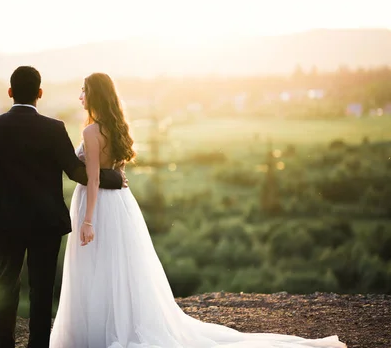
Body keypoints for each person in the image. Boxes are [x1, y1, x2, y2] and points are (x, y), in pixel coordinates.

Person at [49, 72, 346, 348]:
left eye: (84, 91)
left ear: (95, 95)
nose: (80, 96)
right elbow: (116, 172)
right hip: (120, 205)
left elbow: (95, 178)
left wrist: (88, 221)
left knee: (96, 268)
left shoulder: (90, 131)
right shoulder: (116, 128)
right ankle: (117, 324)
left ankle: (97, 332)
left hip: (97, 205)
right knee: (116, 268)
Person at [0, 66, 126, 348]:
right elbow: (76, 172)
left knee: (5, 283)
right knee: (42, 289)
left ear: (10, 92)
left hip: (7, 221)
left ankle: (2, 344)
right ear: (39, 93)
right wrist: (114, 177)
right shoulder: (53, 129)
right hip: (46, 221)